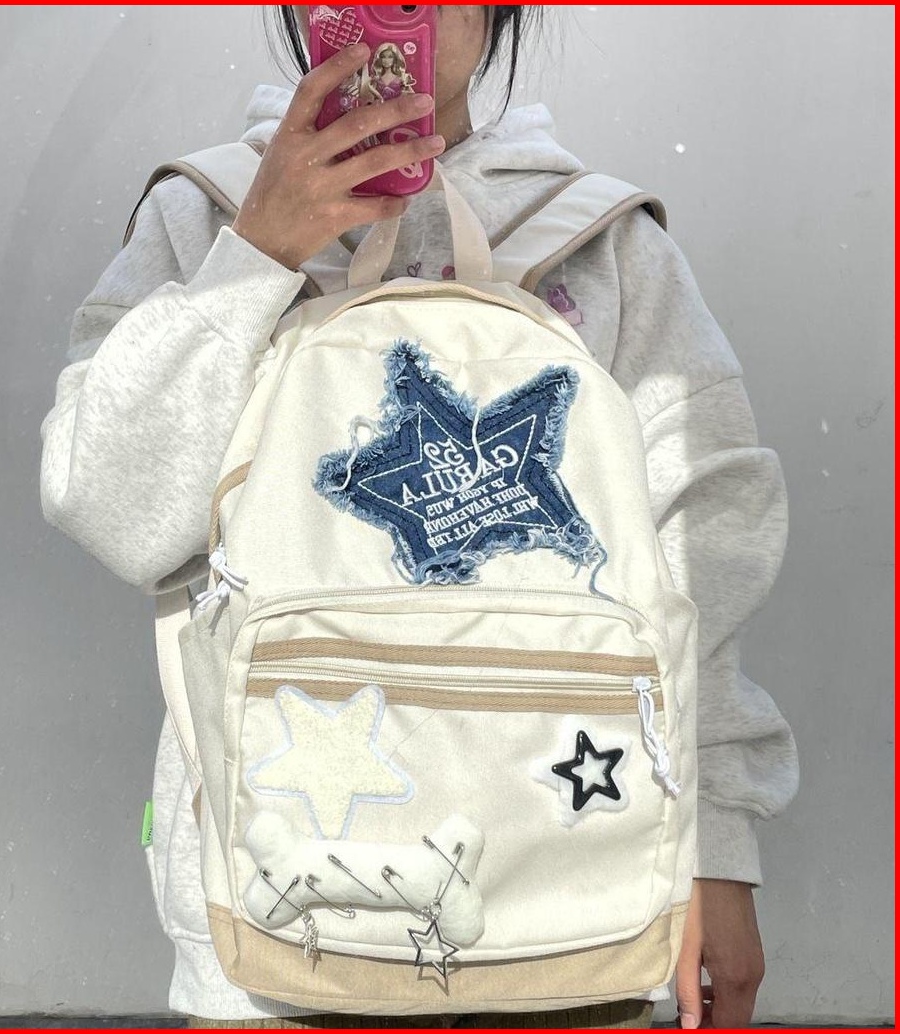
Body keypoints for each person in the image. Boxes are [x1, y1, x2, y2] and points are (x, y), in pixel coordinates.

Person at [39, 5, 798, 1028]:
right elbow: (110, 508)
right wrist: (256, 251)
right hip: (279, 927)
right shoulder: (205, 217)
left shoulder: (599, 240)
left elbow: (700, 550)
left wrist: (716, 844)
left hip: (578, 899)